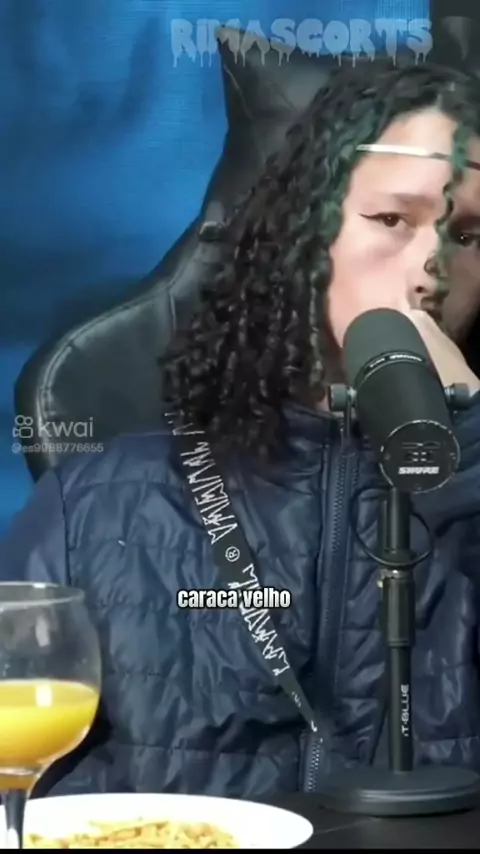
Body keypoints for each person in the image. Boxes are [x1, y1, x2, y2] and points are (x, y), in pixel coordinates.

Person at [2, 59, 480, 801]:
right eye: (392, 220)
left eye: (470, 234)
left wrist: (466, 451)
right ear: (304, 234)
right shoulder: (97, 503)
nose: (430, 270)